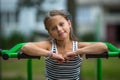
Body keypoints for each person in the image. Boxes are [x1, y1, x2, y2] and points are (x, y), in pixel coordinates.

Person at [21, 10, 108, 80]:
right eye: (54, 28)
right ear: (50, 33)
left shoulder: (77, 46)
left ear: (69, 23)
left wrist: (77, 52)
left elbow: (103, 47)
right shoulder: (49, 45)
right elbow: (26, 48)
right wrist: (51, 54)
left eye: (61, 24)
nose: (59, 29)